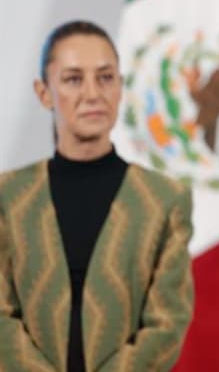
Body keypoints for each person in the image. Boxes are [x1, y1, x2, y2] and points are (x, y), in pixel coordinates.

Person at [0, 21, 194, 372]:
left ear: (120, 87)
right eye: (73, 79)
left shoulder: (164, 200)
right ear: (44, 92)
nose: (92, 94)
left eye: (105, 77)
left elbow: (167, 323)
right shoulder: (8, 197)